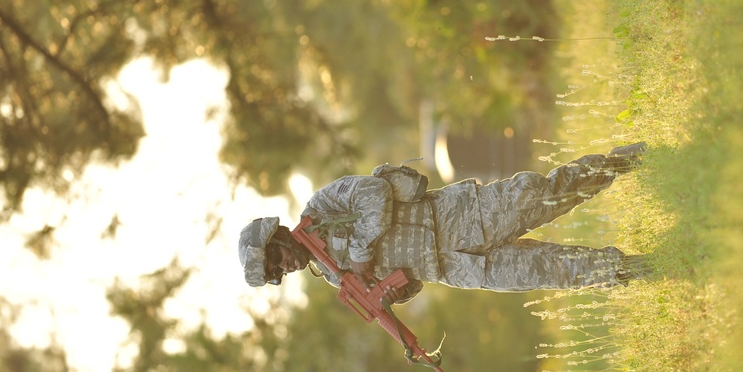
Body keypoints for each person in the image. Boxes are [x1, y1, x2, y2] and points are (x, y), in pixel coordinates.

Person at [237, 143, 649, 303]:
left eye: (275, 258)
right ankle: (637, 269)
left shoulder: (320, 207)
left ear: (277, 235)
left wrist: (360, 255)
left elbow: (373, 193)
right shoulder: (331, 277)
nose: (284, 268)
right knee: (553, 271)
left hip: (460, 217)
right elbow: (409, 284)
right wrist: (386, 298)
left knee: (546, 195)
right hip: (456, 267)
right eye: (276, 274)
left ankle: (629, 160)